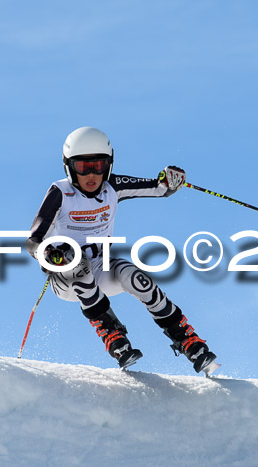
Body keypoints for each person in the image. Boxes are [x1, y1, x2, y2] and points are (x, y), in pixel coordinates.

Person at [26, 126, 217, 374]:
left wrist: (171, 180)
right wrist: (48, 255)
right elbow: (33, 240)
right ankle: (112, 335)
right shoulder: (60, 192)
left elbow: (159, 188)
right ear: (69, 167)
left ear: (109, 165)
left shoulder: (112, 187)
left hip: (101, 271)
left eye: (100, 166)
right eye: (83, 167)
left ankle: (189, 341)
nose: (92, 174)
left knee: (136, 277)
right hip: (66, 278)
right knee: (77, 261)